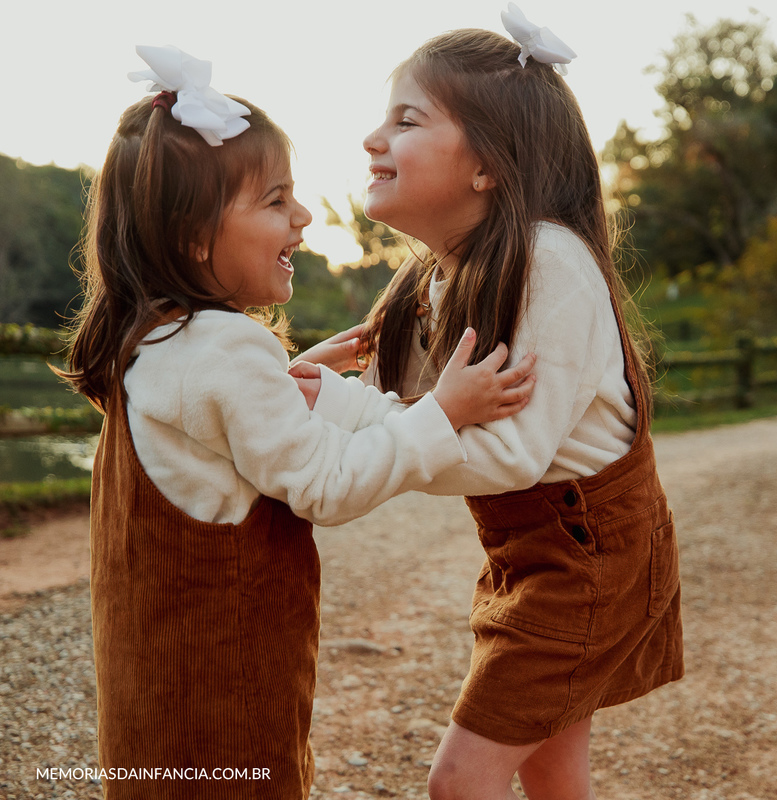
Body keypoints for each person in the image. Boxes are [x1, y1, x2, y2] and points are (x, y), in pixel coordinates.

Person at [56, 45, 534, 800]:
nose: (304, 217)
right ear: (194, 236)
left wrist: (286, 379)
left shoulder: (148, 343)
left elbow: (205, 427)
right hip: (227, 702)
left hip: (155, 702)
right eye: (277, 200)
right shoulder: (226, 347)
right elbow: (325, 485)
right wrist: (440, 413)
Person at [298, 8, 684, 798]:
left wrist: (344, 408)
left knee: (459, 780)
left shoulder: (549, 261)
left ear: (488, 167)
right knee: (551, 771)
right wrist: (316, 392)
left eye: (406, 120)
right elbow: (400, 417)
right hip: (528, 548)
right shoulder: (427, 280)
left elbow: (504, 456)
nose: (374, 138)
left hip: (589, 554)